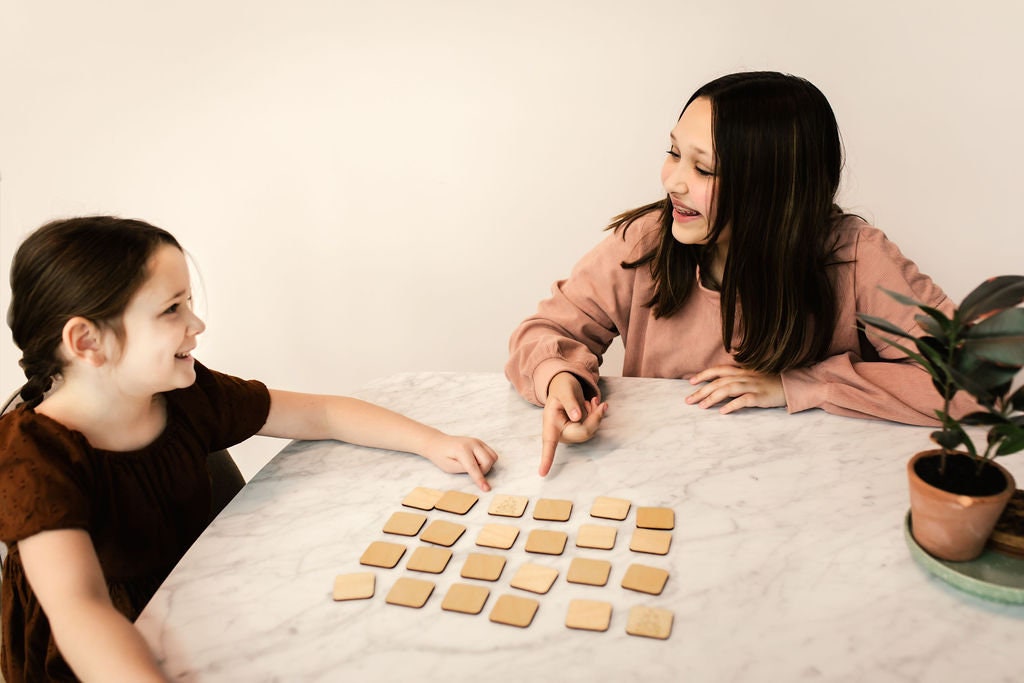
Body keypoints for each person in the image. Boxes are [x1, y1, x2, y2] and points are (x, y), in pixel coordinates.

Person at [0, 216, 499, 682]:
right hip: (99, 652)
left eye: (189, 302)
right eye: (172, 309)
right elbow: (80, 611)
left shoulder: (188, 396)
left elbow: (322, 414)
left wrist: (432, 441)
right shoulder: (34, 455)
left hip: (203, 599)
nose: (197, 324)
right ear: (87, 341)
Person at [506, 70, 970, 476]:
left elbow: (968, 383)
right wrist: (560, 381)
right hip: (659, 475)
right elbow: (544, 332)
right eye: (674, 152)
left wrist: (804, 384)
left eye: (704, 168)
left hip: (814, 485)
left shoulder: (855, 256)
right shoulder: (645, 241)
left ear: (775, 189)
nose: (673, 181)